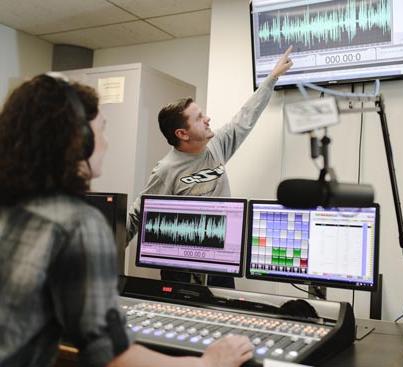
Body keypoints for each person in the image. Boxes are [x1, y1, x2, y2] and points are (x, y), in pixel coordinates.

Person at [0, 74, 253, 367]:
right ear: (78, 142)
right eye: (102, 131)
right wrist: (208, 363)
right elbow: (114, 356)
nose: (106, 144)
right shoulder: (76, 224)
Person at [126, 47, 294, 287]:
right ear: (182, 134)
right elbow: (138, 213)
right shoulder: (166, 170)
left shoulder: (216, 147)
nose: (207, 119)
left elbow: (245, 117)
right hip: (181, 271)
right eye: (198, 117)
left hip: (220, 263)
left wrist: (272, 78)